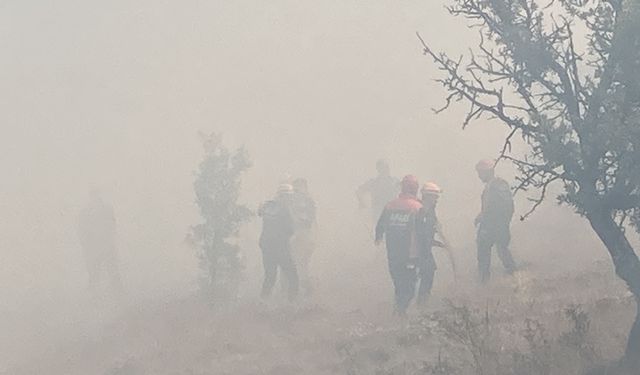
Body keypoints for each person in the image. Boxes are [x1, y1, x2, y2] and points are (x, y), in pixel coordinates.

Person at [375, 175, 425, 315]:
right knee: (409, 286)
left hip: (393, 254)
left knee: (398, 284)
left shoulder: (390, 205)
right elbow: (424, 232)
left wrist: (378, 237)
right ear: (415, 188)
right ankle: (400, 311)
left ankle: (398, 310)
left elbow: (380, 226)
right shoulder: (418, 207)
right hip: (411, 254)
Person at [475, 159, 517, 284]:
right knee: (495, 252)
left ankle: (514, 278)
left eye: (480, 172)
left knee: (497, 252)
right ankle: (512, 277)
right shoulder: (493, 186)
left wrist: (487, 220)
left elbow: (498, 208)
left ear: (487, 172)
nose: (479, 176)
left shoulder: (497, 185)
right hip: (493, 226)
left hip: (493, 227)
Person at [77, 189, 123, 296]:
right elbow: (81, 229)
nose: (96, 198)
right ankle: (95, 294)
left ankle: (117, 293)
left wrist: (109, 238)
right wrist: (86, 244)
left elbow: (112, 224)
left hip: (105, 245)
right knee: (95, 272)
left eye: (97, 195)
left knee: (111, 269)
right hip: (95, 247)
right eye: (94, 195)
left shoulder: (105, 209)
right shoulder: (86, 212)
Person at [258, 184, 299, 301]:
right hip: (281, 247)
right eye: (289, 197)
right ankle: (292, 302)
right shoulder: (285, 210)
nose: (291, 200)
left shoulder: (268, 206)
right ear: (284, 196)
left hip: (266, 247)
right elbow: (290, 230)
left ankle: (263, 302)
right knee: (293, 276)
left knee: (270, 276)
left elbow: (260, 212)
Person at [416, 182, 445, 306]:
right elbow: (421, 235)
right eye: (435, 197)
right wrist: (437, 244)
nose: (437, 200)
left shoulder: (431, 210)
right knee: (427, 271)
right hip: (419, 249)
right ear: (427, 196)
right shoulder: (420, 211)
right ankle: (422, 302)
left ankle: (424, 298)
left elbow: (433, 227)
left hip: (425, 248)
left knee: (429, 271)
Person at [290, 178, 317, 295]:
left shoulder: (307, 201)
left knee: (300, 263)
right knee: (299, 264)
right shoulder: (305, 200)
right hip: (300, 236)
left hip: (303, 235)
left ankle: (303, 290)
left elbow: (311, 219)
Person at [357, 160, 399, 225]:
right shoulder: (373, 182)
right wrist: (362, 203)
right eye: (383, 168)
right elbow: (359, 190)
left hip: (392, 213)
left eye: (386, 167)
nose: (386, 170)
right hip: (379, 213)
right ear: (379, 170)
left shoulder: (395, 182)